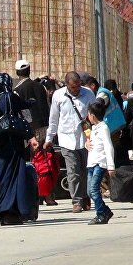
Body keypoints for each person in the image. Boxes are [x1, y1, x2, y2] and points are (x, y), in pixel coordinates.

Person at [0, 73, 38, 225]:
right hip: (12, 145)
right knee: (13, 178)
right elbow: (24, 107)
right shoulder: (9, 97)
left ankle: (1, 210)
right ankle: (10, 211)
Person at [44, 71, 95, 213]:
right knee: (73, 172)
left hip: (86, 139)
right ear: (66, 85)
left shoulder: (88, 94)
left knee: (85, 170)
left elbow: (95, 115)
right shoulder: (58, 96)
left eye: (78, 86)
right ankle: (76, 201)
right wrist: (49, 138)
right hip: (66, 139)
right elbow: (53, 119)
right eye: (73, 87)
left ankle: (85, 197)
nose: (77, 89)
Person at [85, 101, 116, 225]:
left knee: (94, 190)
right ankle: (105, 210)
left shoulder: (103, 128)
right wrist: (86, 144)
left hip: (100, 163)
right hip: (91, 163)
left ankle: (101, 214)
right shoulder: (93, 129)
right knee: (89, 191)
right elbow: (91, 144)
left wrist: (111, 166)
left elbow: (109, 147)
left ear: (92, 115)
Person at [13, 59, 50, 143]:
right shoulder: (41, 86)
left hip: (29, 128)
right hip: (44, 125)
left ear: (17, 72)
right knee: (43, 154)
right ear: (29, 70)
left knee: (32, 154)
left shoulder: (17, 90)